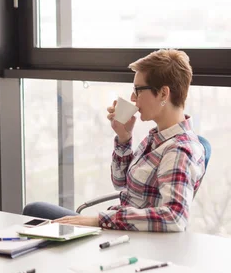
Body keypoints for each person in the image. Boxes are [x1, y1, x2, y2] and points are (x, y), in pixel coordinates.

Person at [23, 49, 206, 232]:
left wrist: (100, 219)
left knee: (36, 214)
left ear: (163, 94)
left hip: (127, 237)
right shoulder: (156, 137)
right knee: (35, 211)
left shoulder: (179, 150)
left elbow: (174, 217)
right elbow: (120, 183)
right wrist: (124, 137)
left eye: (138, 90)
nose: (133, 98)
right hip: (116, 226)